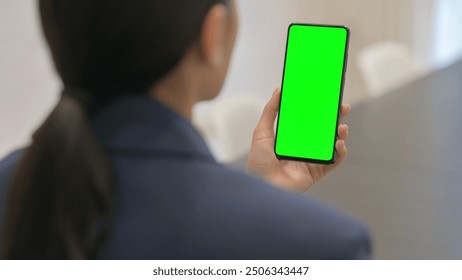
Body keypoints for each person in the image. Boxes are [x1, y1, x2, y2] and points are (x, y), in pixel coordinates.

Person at [0, 0, 371, 259]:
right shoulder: (326, 247)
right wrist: (259, 206)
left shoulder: (14, 181)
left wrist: (264, 194)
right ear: (213, 33)